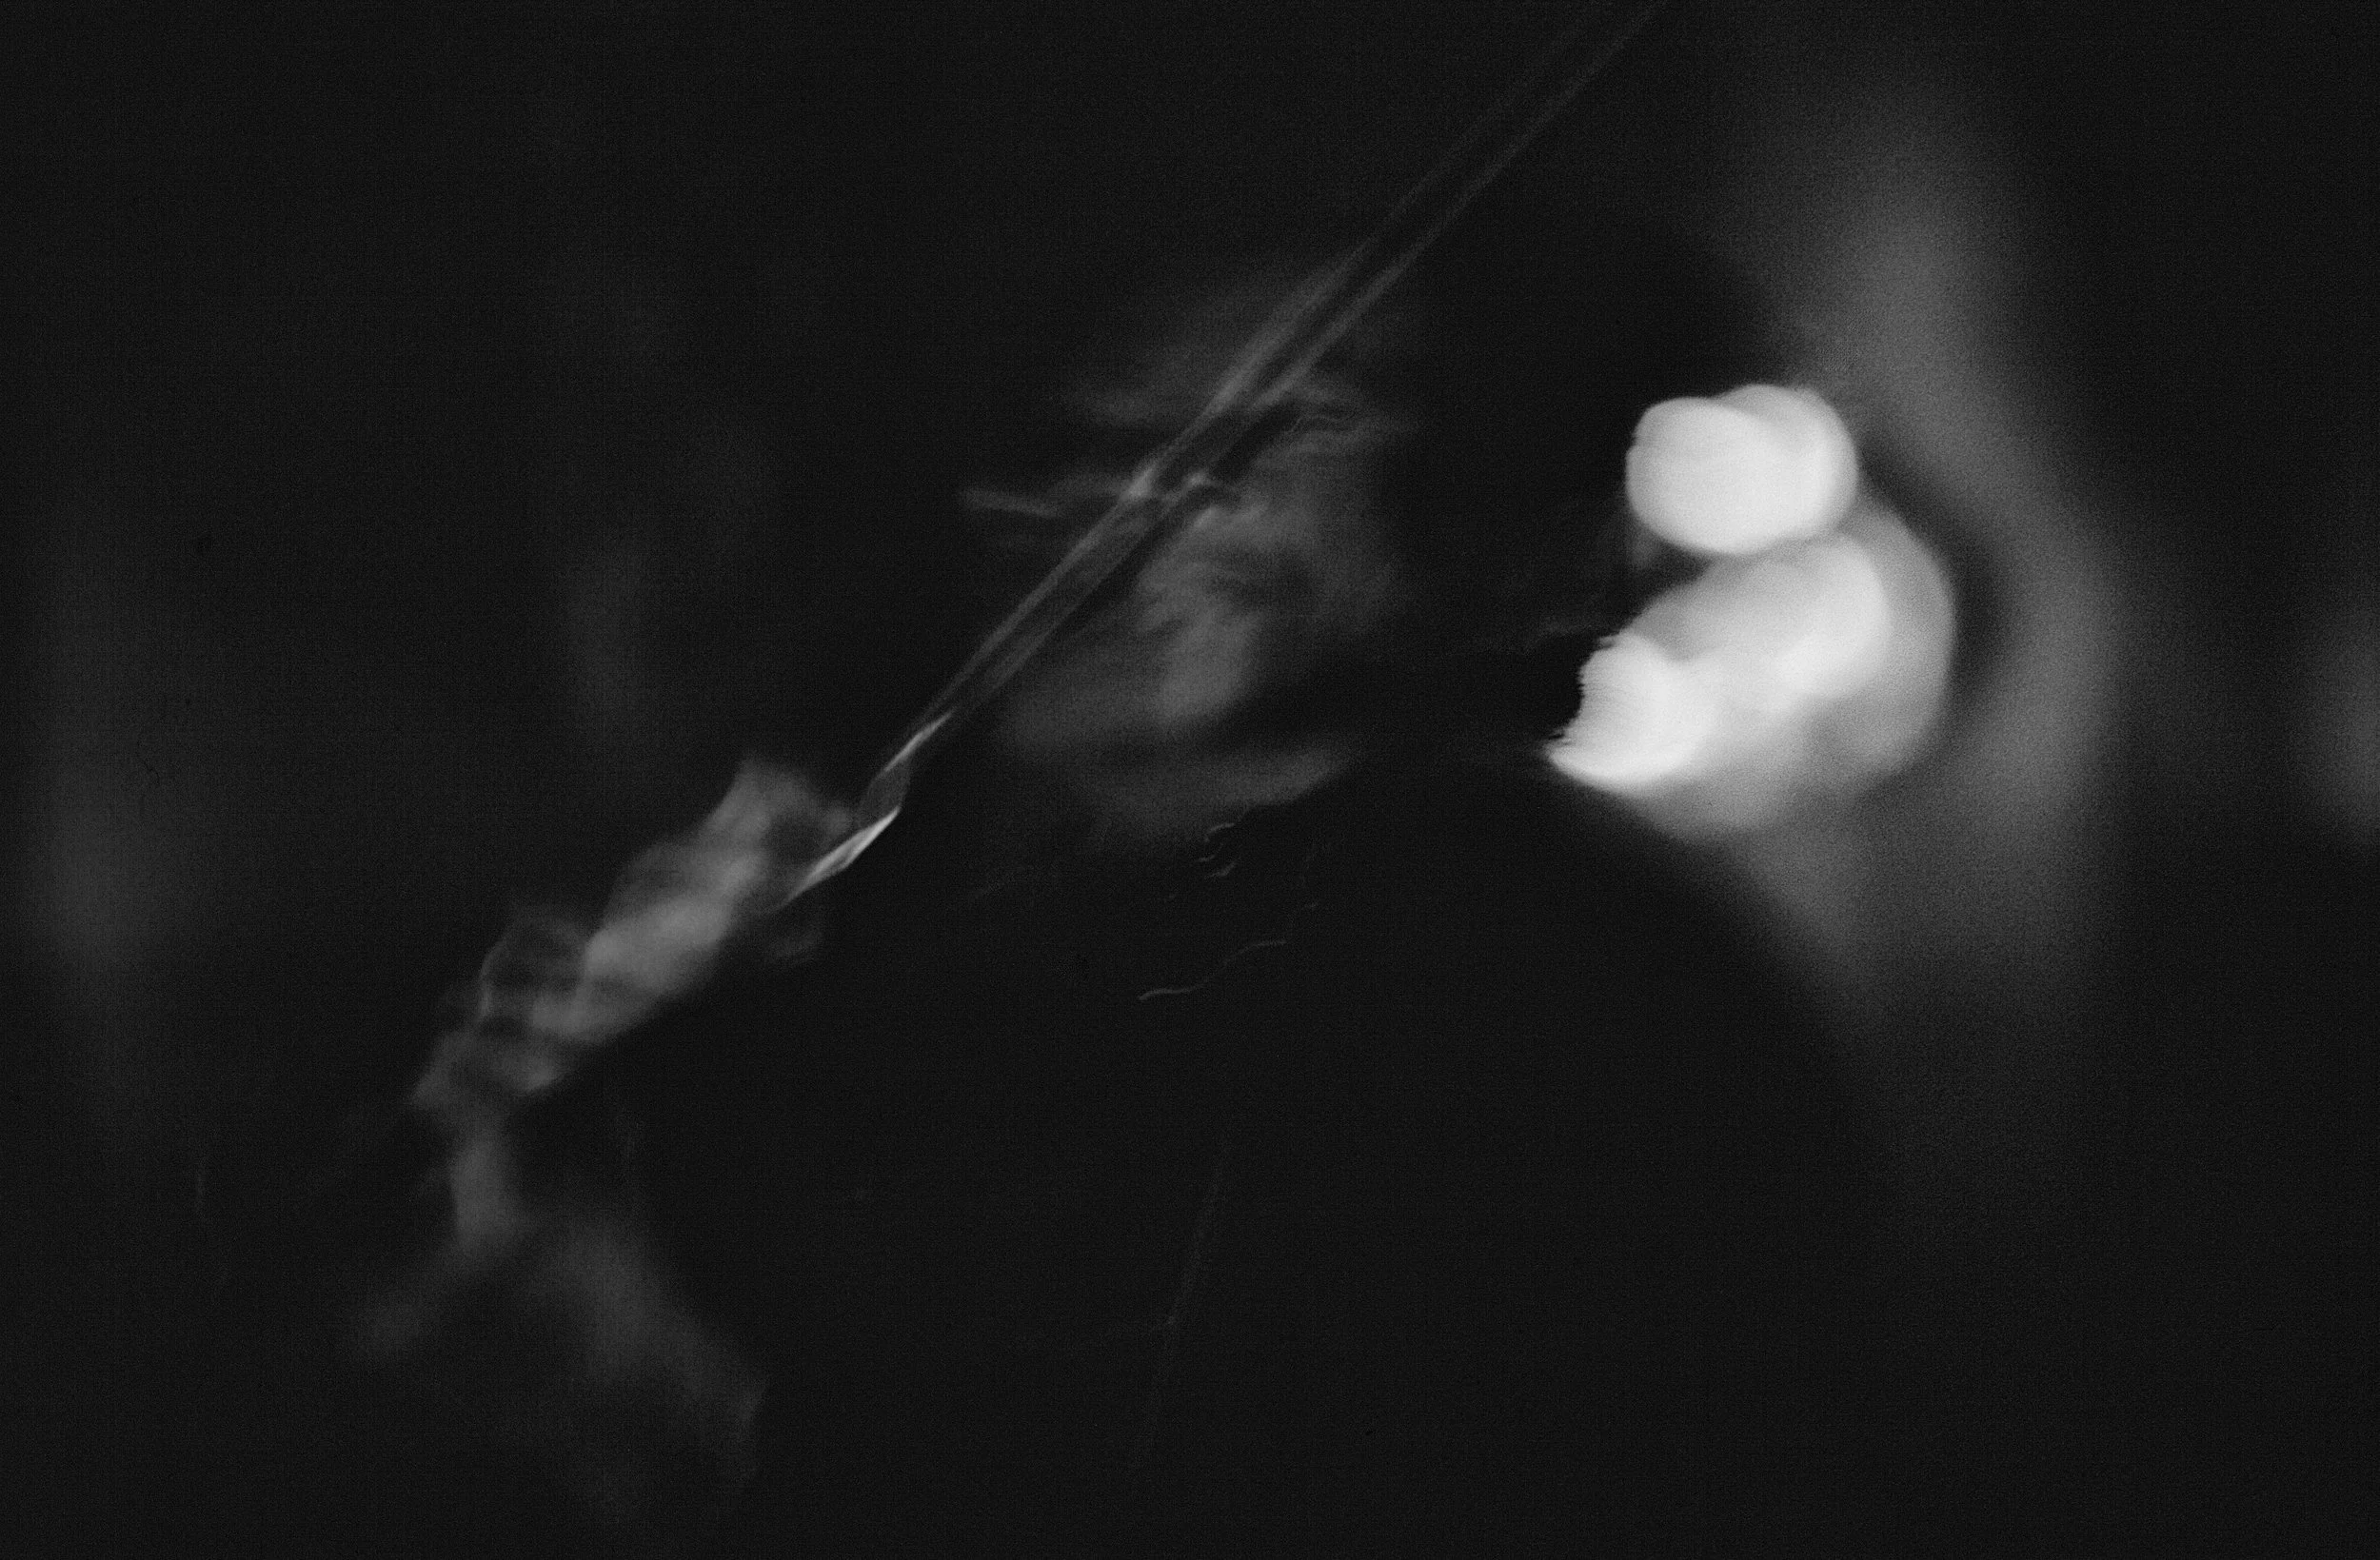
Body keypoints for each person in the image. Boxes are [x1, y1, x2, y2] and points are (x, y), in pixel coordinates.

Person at [231, 211, 1880, 1555]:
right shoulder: (849, 964)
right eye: (1097, 433)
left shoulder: (1583, 1012)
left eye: (1279, 429)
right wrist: (528, 1303)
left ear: (1450, 540)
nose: (1124, 489)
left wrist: (667, 1417)